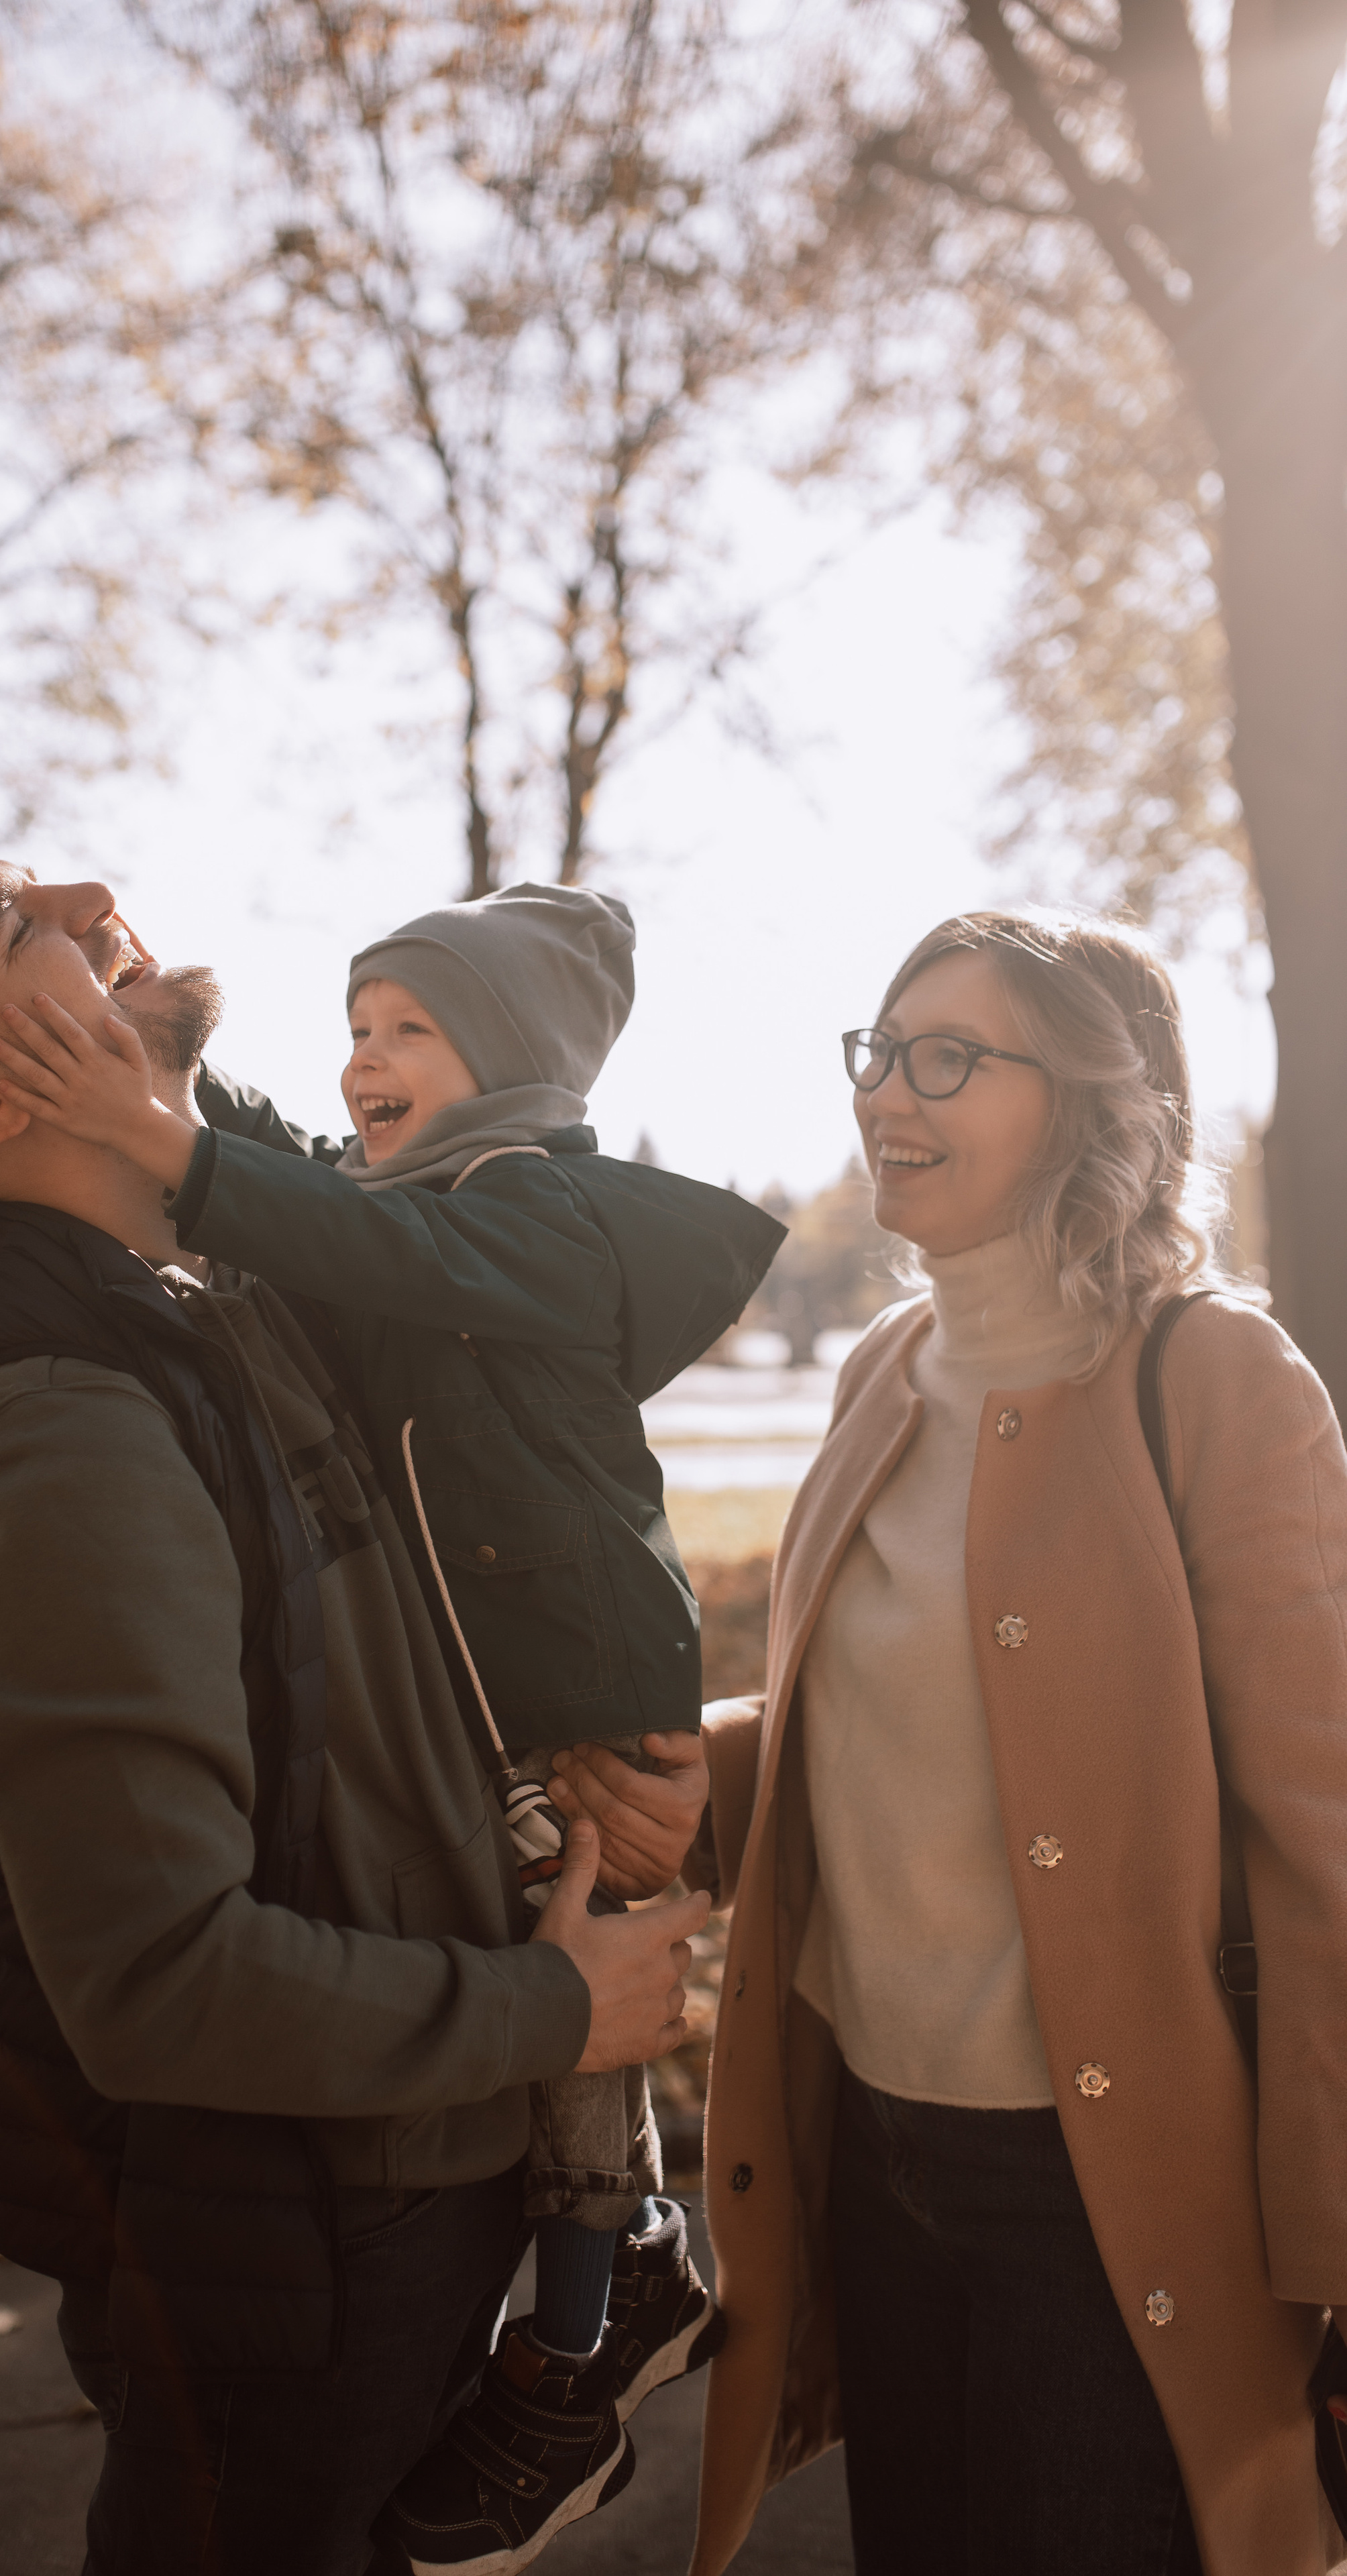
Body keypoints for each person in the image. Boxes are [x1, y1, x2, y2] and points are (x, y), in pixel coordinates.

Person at [0, 821, 712, 2576]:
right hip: (316, 2235)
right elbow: (162, 1984)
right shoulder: (63, 1419)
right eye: (6, 922)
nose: (82, 898)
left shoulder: (220, 1292)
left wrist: (621, 1754)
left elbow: (420, 1609)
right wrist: (550, 2013)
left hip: (400, 2165)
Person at [0, 878, 783, 2571]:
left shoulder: (534, 1210)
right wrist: (163, 1051)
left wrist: (171, 1142)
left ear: (507, 1064)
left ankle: (590, 2320)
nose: (364, 1059)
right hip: (499, 1687)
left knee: (579, 1993)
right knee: (556, 1965)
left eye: (410, 1029)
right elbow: (322, 1208)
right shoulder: (408, 1195)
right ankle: (617, 2270)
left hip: (588, 1678)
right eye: (355, 1027)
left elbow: (362, 1240)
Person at [687, 910, 1347, 2576]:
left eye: (949, 1059)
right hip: (872, 2148)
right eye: (881, 1050)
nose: (887, 1096)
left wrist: (1330, 2230)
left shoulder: (1211, 1378)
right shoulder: (882, 1373)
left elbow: (1315, 1827)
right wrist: (688, 1770)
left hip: (1106, 2181)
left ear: (1090, 1103)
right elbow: (903, 1716)